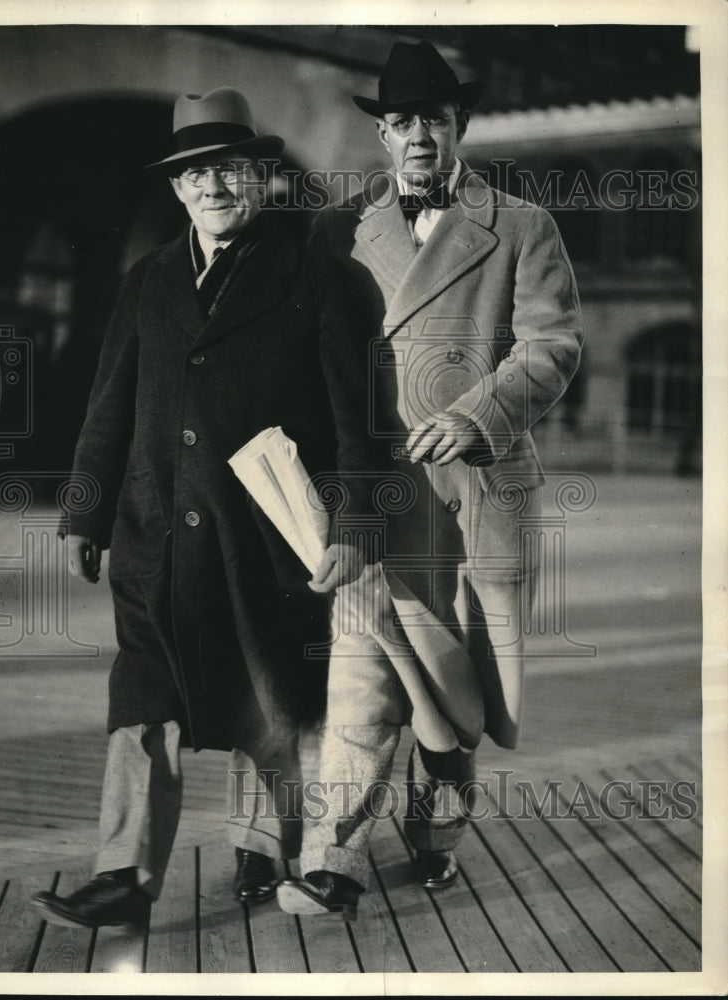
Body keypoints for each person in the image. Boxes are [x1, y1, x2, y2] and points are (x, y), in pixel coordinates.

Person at [31, 87, 362, 929]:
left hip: (266, 540)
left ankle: (273, 849)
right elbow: (109, 403)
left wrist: (355, 526)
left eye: (229, 170)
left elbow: (354, 419)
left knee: (274, 697)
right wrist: (85, 513)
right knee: (142, 703)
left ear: (259, 177)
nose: (213, 187)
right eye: (194, 176)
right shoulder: (148, 280)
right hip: (155, 538)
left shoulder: (315, 278)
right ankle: (124, 875)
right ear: (177, 190)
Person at [277, 39, 585, 920]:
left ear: (460, 128)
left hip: (478, 491)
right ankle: (333, 857)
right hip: (371, 493)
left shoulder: (521, 225)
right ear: (382, 134)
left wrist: (479, 413)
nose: (418, 136)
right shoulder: (336, 230)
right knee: (362, 668)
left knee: (458, 681)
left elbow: (553, 344)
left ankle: (436, 835)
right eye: (402, 121)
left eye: (435, 121)